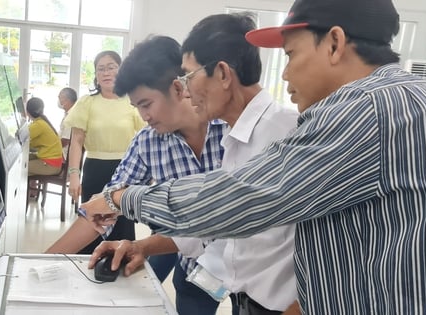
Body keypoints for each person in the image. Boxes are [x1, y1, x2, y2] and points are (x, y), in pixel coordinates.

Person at [83, 0, 426, 314]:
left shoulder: (362, 110)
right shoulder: (414, 99)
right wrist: (145, 243)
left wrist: (122, 197)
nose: (285, 73)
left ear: (334, 43)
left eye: (290, 55)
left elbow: (234, 203)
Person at [86, 13, 299, 315]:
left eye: (188, 76)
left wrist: (120, 198)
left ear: (223, 74)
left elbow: (324, 241)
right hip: (241, 293)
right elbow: (211, 222)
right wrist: (142, 246)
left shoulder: (287, 132)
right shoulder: (236, 139)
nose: (185, 90)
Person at [46, 36, 225, 314]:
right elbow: (105, 206)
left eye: (146, 104)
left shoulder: (231, 128)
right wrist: (45, 260)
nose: (144, 116)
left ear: (178, 88)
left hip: (257, 275)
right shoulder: (148, 141)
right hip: (197, 268)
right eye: (137, 107)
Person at [63, 50, 145, 254]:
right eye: (101, 69)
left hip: (126, 172)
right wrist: (74, 175)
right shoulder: (87, 102)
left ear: (121, 70)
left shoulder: (132, 102)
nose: (106, 73)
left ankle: (119, 264)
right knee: (92, 222)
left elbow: (145, 139)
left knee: (122, 225)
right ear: (96, 75)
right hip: (94, 170)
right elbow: (77, 141)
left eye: (111, 67)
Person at [26, 97, 64, 178]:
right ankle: (32, 189)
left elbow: (21, 138)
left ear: (28, 112)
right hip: (53, 162)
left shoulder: (38, 125)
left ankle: (31, 190)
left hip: (50, 165)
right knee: (24, 160)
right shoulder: (42, 121)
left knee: (21, 168)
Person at [57, 87, 77, 160]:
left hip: (62, 155)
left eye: (60, 98)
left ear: (67, 100)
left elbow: (65, 141)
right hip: (60, 151)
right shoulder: (68, 113)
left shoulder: (71, 116)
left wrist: (51, 146)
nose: (58, 101)